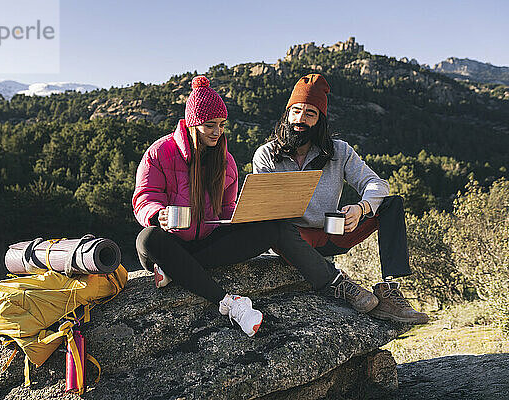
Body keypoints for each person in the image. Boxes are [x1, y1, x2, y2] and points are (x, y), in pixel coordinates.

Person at [133, 76, 358, 337]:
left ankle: (331, 281)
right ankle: (231, 305)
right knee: (148, 238)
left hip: (206, 245)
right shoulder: (160, 152)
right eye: (210, 126)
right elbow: (143, 198)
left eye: (221, 125)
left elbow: (227, 210)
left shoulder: (225, 162)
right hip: (168, 241)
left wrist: (245, 217)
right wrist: (157, 214)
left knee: (274, 226)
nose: (217, 132)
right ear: (193, 124)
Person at [252, 74, 429, 324]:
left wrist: (361, 207)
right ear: (287, 115)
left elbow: (377, 184)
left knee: (391, 204)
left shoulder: (339, 151)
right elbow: (261, 207)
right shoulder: (266, 155)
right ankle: (338, 283)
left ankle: (388, 290)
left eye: (310, 114)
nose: (300, 120)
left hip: (332, 233)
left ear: (320, 121)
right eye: (296, 112)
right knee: (276, 226)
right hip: (290, 239)